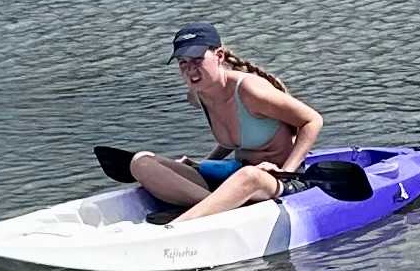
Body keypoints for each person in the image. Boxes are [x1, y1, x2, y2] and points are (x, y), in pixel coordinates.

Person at [128, 24, 325, 226]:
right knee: (141, 161)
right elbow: (234, 137)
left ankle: (179, 225)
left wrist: (285, 172)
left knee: (248, 175)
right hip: (235, 176)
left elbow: (312, 121)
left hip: (277, 181)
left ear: (219, 56)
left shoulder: (250, 91)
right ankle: (216, 205)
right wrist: (202, 165)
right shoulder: (198, 94)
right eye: (182, 63)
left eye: (197, 60)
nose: (190, 70)